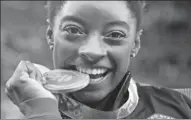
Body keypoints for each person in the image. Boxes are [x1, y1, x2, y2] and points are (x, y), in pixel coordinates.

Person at [5, 1, 191, 119]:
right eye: (73, 30)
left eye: (115, 34)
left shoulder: (181, 105)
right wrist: (41, 109)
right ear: (51, 36)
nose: (93, 52)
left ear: (135, 44)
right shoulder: (23, 112)